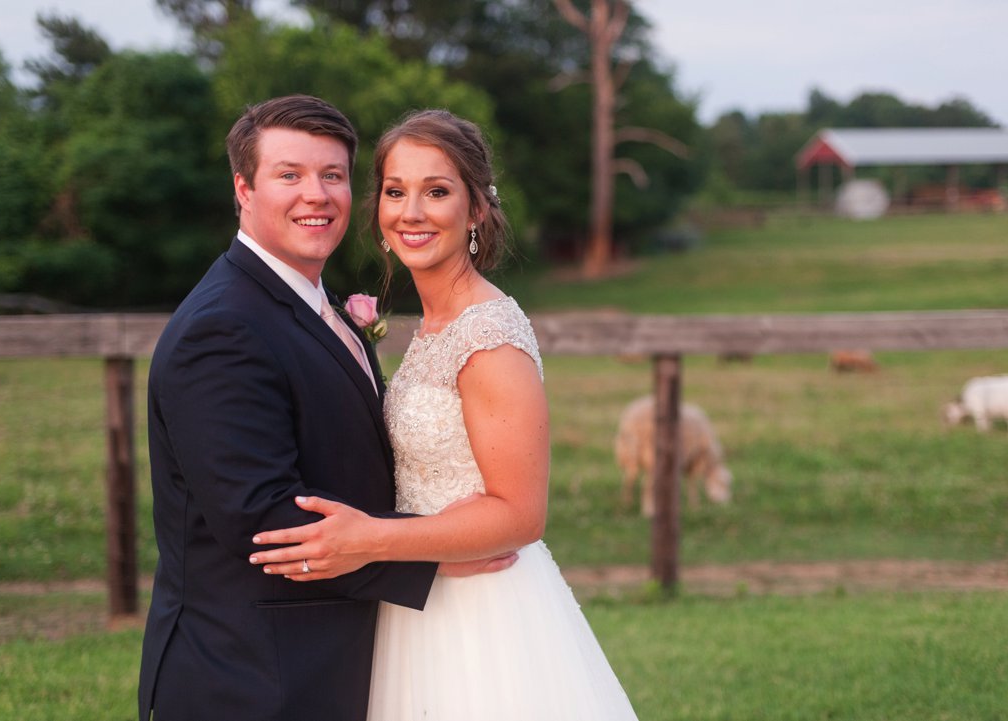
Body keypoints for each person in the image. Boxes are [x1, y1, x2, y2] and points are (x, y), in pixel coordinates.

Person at [250, 109, 639, 720]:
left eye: (436, 192)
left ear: (476, 208)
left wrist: (371, 540)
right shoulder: (434, 325)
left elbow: (521, 513)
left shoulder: (488, 336)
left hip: (482, 615)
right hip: (418, 598)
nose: (411, 212)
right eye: (395, 191)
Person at [138, 95, 505, 721]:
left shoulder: (312, 302)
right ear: (243, 189)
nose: (317, 195)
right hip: (253, 678)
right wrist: (431, 552)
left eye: (332, 175)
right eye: (290, 175)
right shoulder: (221, 328)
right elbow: (264, 520)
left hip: (325, 659)